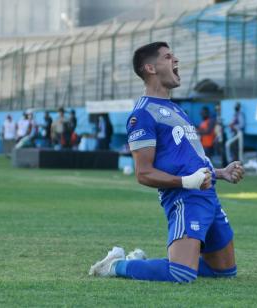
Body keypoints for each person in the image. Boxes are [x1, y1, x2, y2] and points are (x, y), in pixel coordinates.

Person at [88, 42, 245, 283]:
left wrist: (221, 173)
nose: (176, 60)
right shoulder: (142, 114)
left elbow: (190, 159)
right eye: (168, 57)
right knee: (181, 274)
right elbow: (143, 173)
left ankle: (142, 263)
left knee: (224, 272)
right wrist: (186, 182)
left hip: (208, 196)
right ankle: (116, 266)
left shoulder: (176, 109)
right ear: (150, 68)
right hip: (185, 198)